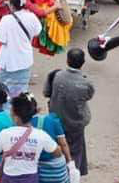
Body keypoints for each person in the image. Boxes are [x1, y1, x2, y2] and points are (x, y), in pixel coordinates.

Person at [0, 93, 63, 183]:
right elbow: (58, 153)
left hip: (9, 178)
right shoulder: (41, 135)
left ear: (16, 117)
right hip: (31, 179)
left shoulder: (5, 133)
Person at [46, 48, 93, 177]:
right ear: (83, 63)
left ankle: (58, 175)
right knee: (76, 152)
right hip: (76, 123)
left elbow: (46, 93)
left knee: (57, 149)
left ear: (67, 60)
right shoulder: (86, 83)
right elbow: (89, 96)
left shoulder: (56, 75)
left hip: (57, 121)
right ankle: (73, 176)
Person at [0, 0, 42, 97]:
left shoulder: (6, 19)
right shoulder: (32, 17)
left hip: (8, 62)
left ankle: (4, 112)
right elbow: (37, 32)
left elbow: (1, 40)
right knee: (20, 94)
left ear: (11, 6)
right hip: (24, 61)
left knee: (3, 94)